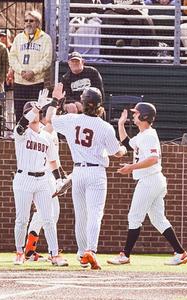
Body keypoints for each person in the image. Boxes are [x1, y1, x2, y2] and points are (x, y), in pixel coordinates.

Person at [45, 83, 127, 270]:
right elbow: (117, 152)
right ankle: (90, 250)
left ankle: (82, 253)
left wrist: (56, 99)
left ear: (82, 103)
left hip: (78, 172)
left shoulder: (72, 119)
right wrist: (123, 148)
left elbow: (49, 118)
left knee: (81, 216)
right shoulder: (105, 126)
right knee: (95, 214)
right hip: (96, 172)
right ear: (99, 105)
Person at [107, 102, 187, 266]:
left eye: (136, 113)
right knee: (158, 219)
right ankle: (180, 253)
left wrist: (131, 167)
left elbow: (153, 159)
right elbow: (126, 143)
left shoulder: (149, 135)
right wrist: (120, 124)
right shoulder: (142, 135)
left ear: (144, 116)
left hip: (149, 180)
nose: (134, 115)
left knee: (134, 217)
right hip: (153, 180)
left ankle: (125, 255)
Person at [12, 100, 68, 267]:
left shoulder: (47, 136)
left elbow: (52, 161)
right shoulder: (21, 132)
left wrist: (59, 180)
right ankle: (20, 252)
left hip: (42, 179)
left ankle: (55, 254)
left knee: (49, 218)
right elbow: (22, 124)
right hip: (24, 179)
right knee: (22, 219)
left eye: (35, 110)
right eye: (29, 111)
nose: (33, 113)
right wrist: (35, 108)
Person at [8, 10, 53, 119]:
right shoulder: (18, 38)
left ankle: (33, 135)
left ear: (37, 23)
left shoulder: (45, 38)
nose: (28, 23)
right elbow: (12, 57)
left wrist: (33, 72)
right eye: (26, 20)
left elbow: (47, 60)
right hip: (20, 81)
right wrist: (21, 71)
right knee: (19, 112)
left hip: (36, 82)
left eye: (31, 21)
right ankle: (19, 135)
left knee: (35, 113)